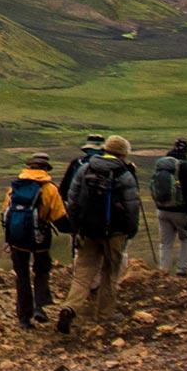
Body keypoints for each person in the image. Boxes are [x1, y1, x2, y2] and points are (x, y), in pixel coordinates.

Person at [59, 134, 140, 334]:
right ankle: (105, 315)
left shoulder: (86, 169)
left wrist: (76, 227)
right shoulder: (124, 174)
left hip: (88, 230)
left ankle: (69, 308)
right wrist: (130, 231)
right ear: (123, 153)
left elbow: (73, 199)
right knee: (109, 274)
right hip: (115, 233)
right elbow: (132, 207)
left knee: (83, 274)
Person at [2, 153, 67, 328]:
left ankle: (24, 316)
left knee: (22, 276)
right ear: (45, 169)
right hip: (41, 237)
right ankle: (40, 306)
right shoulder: (50, 189)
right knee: (42, 270)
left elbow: (5, 213)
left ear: (29, 168)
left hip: (17, 238)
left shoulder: (14, 186)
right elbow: (59, 217)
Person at [149, 138, 187, 277]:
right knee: (186, 238)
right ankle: (182, 271)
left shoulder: (161, 165)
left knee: (165, 242)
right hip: (181, 211)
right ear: (186, 152)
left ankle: (163, 270)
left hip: (162, 209)